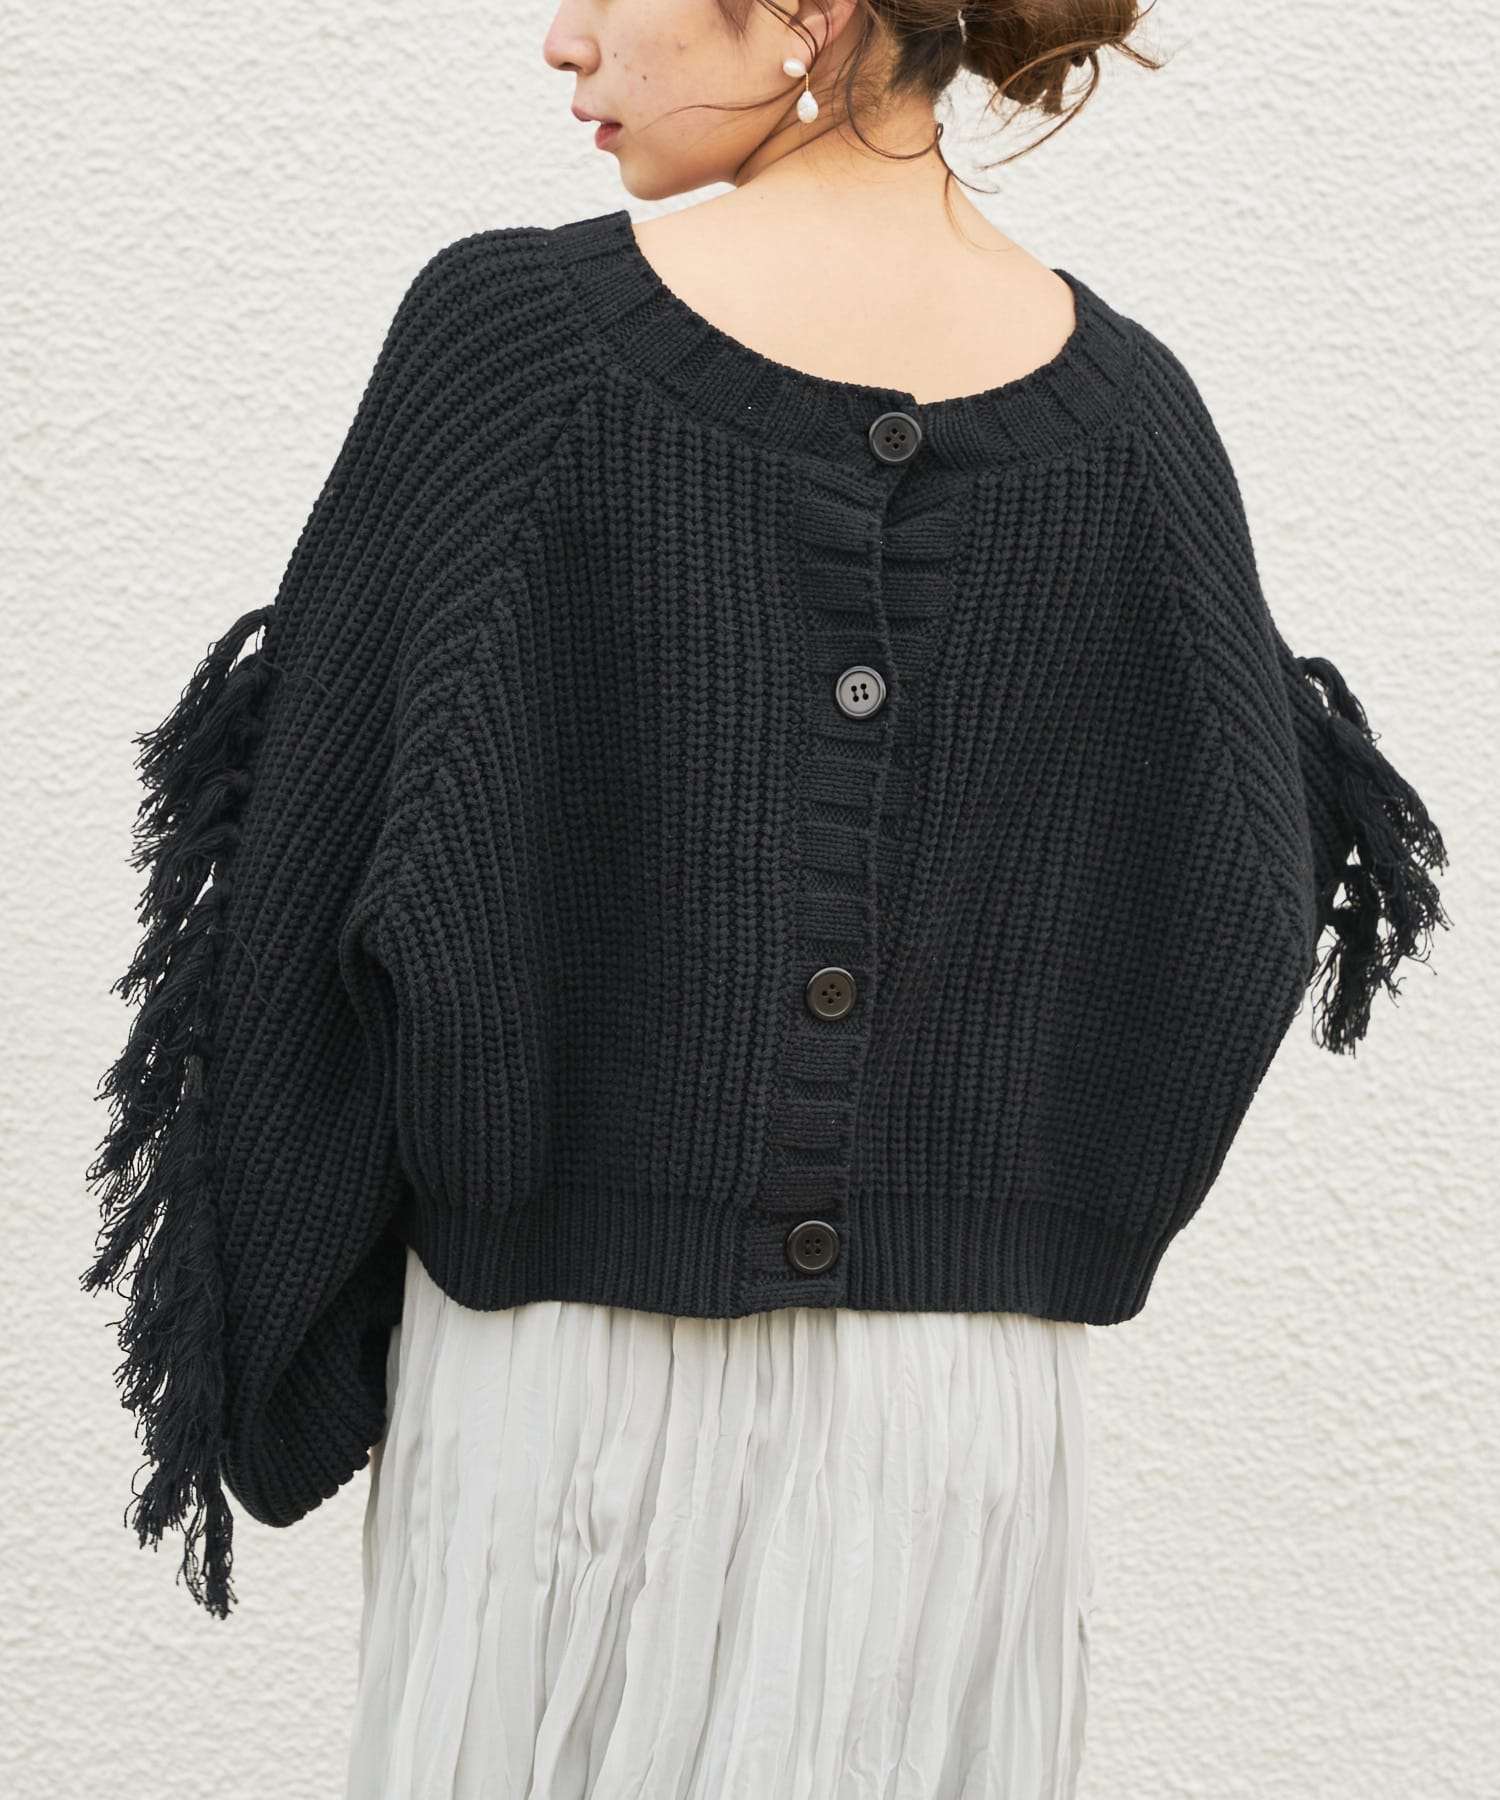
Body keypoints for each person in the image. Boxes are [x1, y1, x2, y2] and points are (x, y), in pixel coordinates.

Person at [81, 3, 1450, 1797]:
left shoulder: (511, 350)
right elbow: (1254, 894)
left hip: (565, 1402)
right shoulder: (1139, 425)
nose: (564, 38)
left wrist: (291, 1327)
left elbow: (302, 878)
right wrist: (1013, 1204)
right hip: (955, 1440)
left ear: (807, 8)